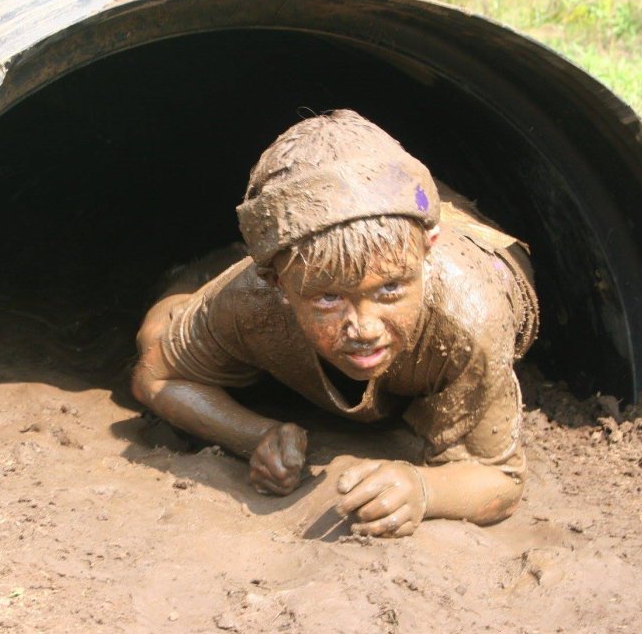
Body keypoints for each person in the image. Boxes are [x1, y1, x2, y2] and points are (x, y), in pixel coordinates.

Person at [132, 110, 540, 537]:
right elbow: (155, 376)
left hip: (444, 229)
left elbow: (500, 479)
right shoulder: (255, 294)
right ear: (276, 282)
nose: (364, 328)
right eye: (329, 298)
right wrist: (255, 435)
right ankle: (207, 268)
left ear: (428, 251)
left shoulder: (470, 314)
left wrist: (424, 489)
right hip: (328, 227)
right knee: (160, 326)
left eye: (390, 290)